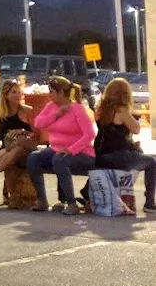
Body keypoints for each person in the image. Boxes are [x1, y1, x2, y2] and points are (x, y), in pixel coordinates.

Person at [25, 77, 96, 215]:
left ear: (61, 93)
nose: (49, 95)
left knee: (59, 159)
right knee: (33, 158)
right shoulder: (51, 106)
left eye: (51, 92)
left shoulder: (77, 109)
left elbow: (89, 134)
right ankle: (42, 200)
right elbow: (38, 123)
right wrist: (57, 114)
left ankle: (71, 203)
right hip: (56, 149)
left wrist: (71, 149)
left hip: (81, 152)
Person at [93, 76, 156, 212]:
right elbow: (136, 129)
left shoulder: (99, 108)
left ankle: (123, 193)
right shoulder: (121, 111)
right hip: (120, 155)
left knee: (140, 159)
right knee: (152, 162)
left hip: (102, 154)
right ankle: (149, 203)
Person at [0, 79, 37, 191]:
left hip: (25, 146)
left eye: (18, 92)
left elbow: (36, 134)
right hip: (7, 145)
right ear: (6, 95)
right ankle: (11, 195)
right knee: (5, 154)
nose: (18, 94)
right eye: (14, 92)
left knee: (16, 151)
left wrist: (21, 131)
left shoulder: (27, 111)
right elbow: (0, 136)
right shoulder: (0, 113)